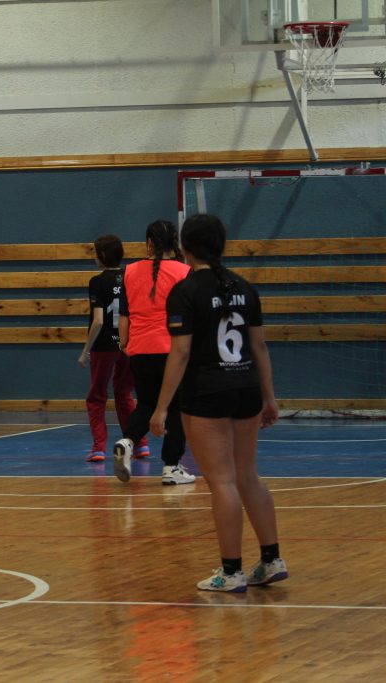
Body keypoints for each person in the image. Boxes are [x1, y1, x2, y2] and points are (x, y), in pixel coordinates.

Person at [150, 214, 285, 593]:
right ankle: (271, 560)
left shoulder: (185, 291)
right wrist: (269, 397)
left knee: (222, 481)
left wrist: (161, 408)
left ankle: (231, 571)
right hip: (247, 389)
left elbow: (180, 352)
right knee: (248, 476)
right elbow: (259, 347)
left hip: (208, 392)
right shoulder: (245, 287)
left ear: (185, 247)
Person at [113, 220, 195, 485]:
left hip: (140, 349)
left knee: (147, 403)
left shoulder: (130, 271)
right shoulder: (185, 271)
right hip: (172, 349)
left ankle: (127, 441)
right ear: (175, 242)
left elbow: (124, 315)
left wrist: (124, 344)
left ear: (149, 242)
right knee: (177, 407)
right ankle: (171, 466)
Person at [78, 234, 148, 462]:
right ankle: (139, 444)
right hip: (128, 343)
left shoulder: (97, 282)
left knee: (96, 395)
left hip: (104, 346)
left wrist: (85, 350)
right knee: (125, 393)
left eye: (94, 252)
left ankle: (99, 447)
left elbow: (98, 320)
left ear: (102, 255)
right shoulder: (130, 277)